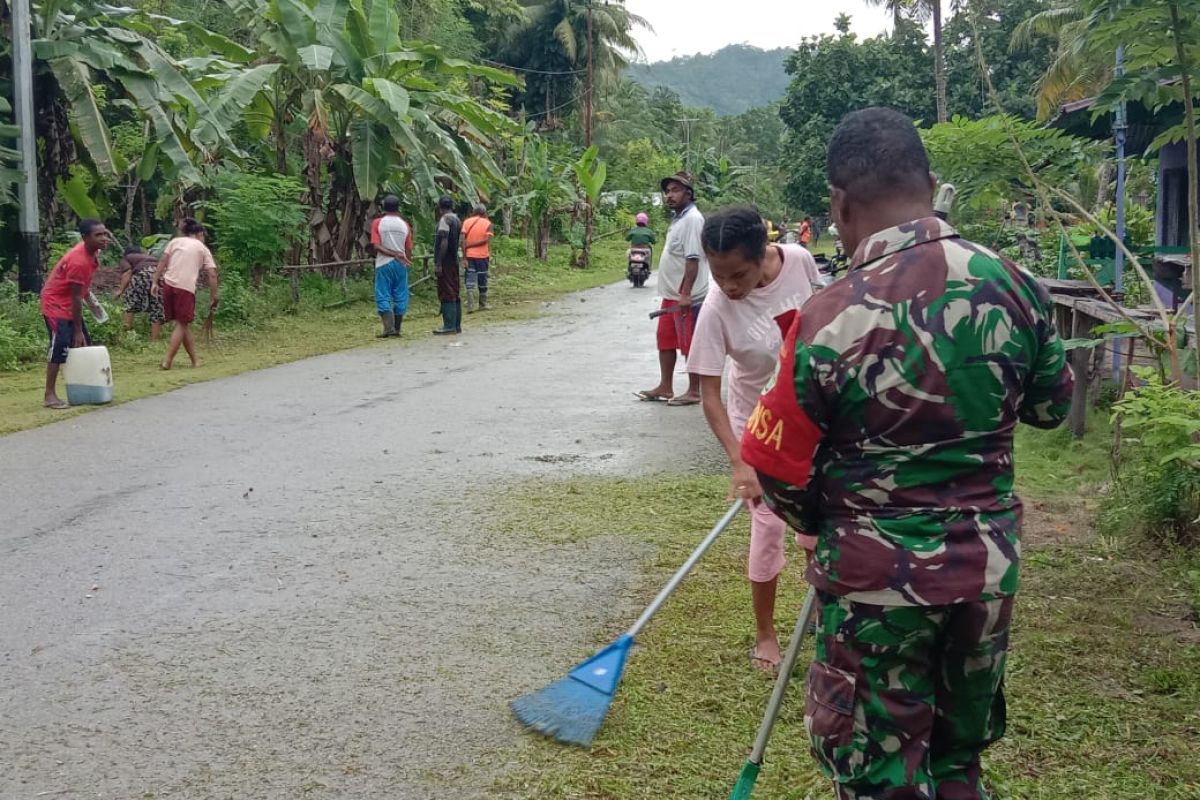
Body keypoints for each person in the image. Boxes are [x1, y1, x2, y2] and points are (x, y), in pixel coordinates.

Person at [740, 107, 1075, 799]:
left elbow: (777, 465)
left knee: (879, 775)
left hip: (874, 583)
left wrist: (823, 520)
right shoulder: (1013, 284)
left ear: (839, 203)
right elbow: (1050, 407)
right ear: (929, 182)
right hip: (985, 571)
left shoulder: (829, 314)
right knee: (957, 761)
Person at [687, 206, 822, 673]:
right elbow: (708, 392)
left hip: (811, 417)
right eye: (717, 274)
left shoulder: (800, 261)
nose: (728, 285)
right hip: (757, 427)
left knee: (816, 529)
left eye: (737, 274)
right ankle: (766, 633)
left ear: (763, 252)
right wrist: (740, 461)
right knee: (768, 529)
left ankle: (825, 620)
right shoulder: (716, 307)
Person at [635, 171, 709, 406]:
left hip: (688, 295)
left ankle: (694, 390)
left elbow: (693, 259)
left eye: (675, 190)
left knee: (690, 342)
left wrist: (686, 293)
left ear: (689, 193)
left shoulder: (693, 220)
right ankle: (666, 386)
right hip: (672, 295)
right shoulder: (679, 218)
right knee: (665, 340)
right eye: (667, 191)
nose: (669, 195)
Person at [40, 218, 112, 409]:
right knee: (60, 347)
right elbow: (75, 298)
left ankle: (87, 389)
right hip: (56, 305)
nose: (104, 238)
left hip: (69, 303)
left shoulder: (92, 252)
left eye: (105, 234)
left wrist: (94, 307)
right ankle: (49, 395)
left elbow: (82, 290)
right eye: (98, 235)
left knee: (82, 345)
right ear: (85, 237)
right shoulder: (78, 260)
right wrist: (77, 329)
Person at [151, 218, 220, 370]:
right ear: (199, 234)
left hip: (168, 285)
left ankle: (195, 360)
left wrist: (155, 282)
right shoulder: (202, 248)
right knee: (182, 324)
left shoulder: (175, 242)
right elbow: (212, 275)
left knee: (182, 324)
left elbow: (163, 261)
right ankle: (167, 360)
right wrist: (214, 296)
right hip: (185, 288)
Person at [370, 195, 413, 337]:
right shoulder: (404, 225)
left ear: (383, 207)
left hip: (383, 263)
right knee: (401, 295)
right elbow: (408, 248)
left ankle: (388, 328)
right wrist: (405, 260)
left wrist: (392, 254)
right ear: (398, 208)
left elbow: (376, 246)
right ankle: (397, 328)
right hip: (401, 264)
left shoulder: (378, 223)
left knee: (383, 294)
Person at [114, 244, 164, 342]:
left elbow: (128, 273)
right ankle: (154, 341)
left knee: (130, 306)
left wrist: (120, 290)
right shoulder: (151, 257)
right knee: (157, 309)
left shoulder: (126, 258)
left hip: (142, 274)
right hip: (159, 277)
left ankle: (126, 336)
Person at [433, 196, 462, 335]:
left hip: (446, 261)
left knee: (447, 291)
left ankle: (449, 325)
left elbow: (444, 241)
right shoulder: (456, 219)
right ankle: (456, 324)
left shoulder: (445, 220)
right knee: (455, 291)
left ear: (440, 207)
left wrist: (439, 262)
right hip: (454, 259)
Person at [461, 204, 494, 313]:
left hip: (469, 255)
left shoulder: (466, 222)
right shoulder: (488, 223)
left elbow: (462, 240)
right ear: (484, 212)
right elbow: (486, 240)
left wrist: (464, 256)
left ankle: (470, 305)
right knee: (482, 279)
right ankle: (482, 304)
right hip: (482, 256)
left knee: (469, 280)